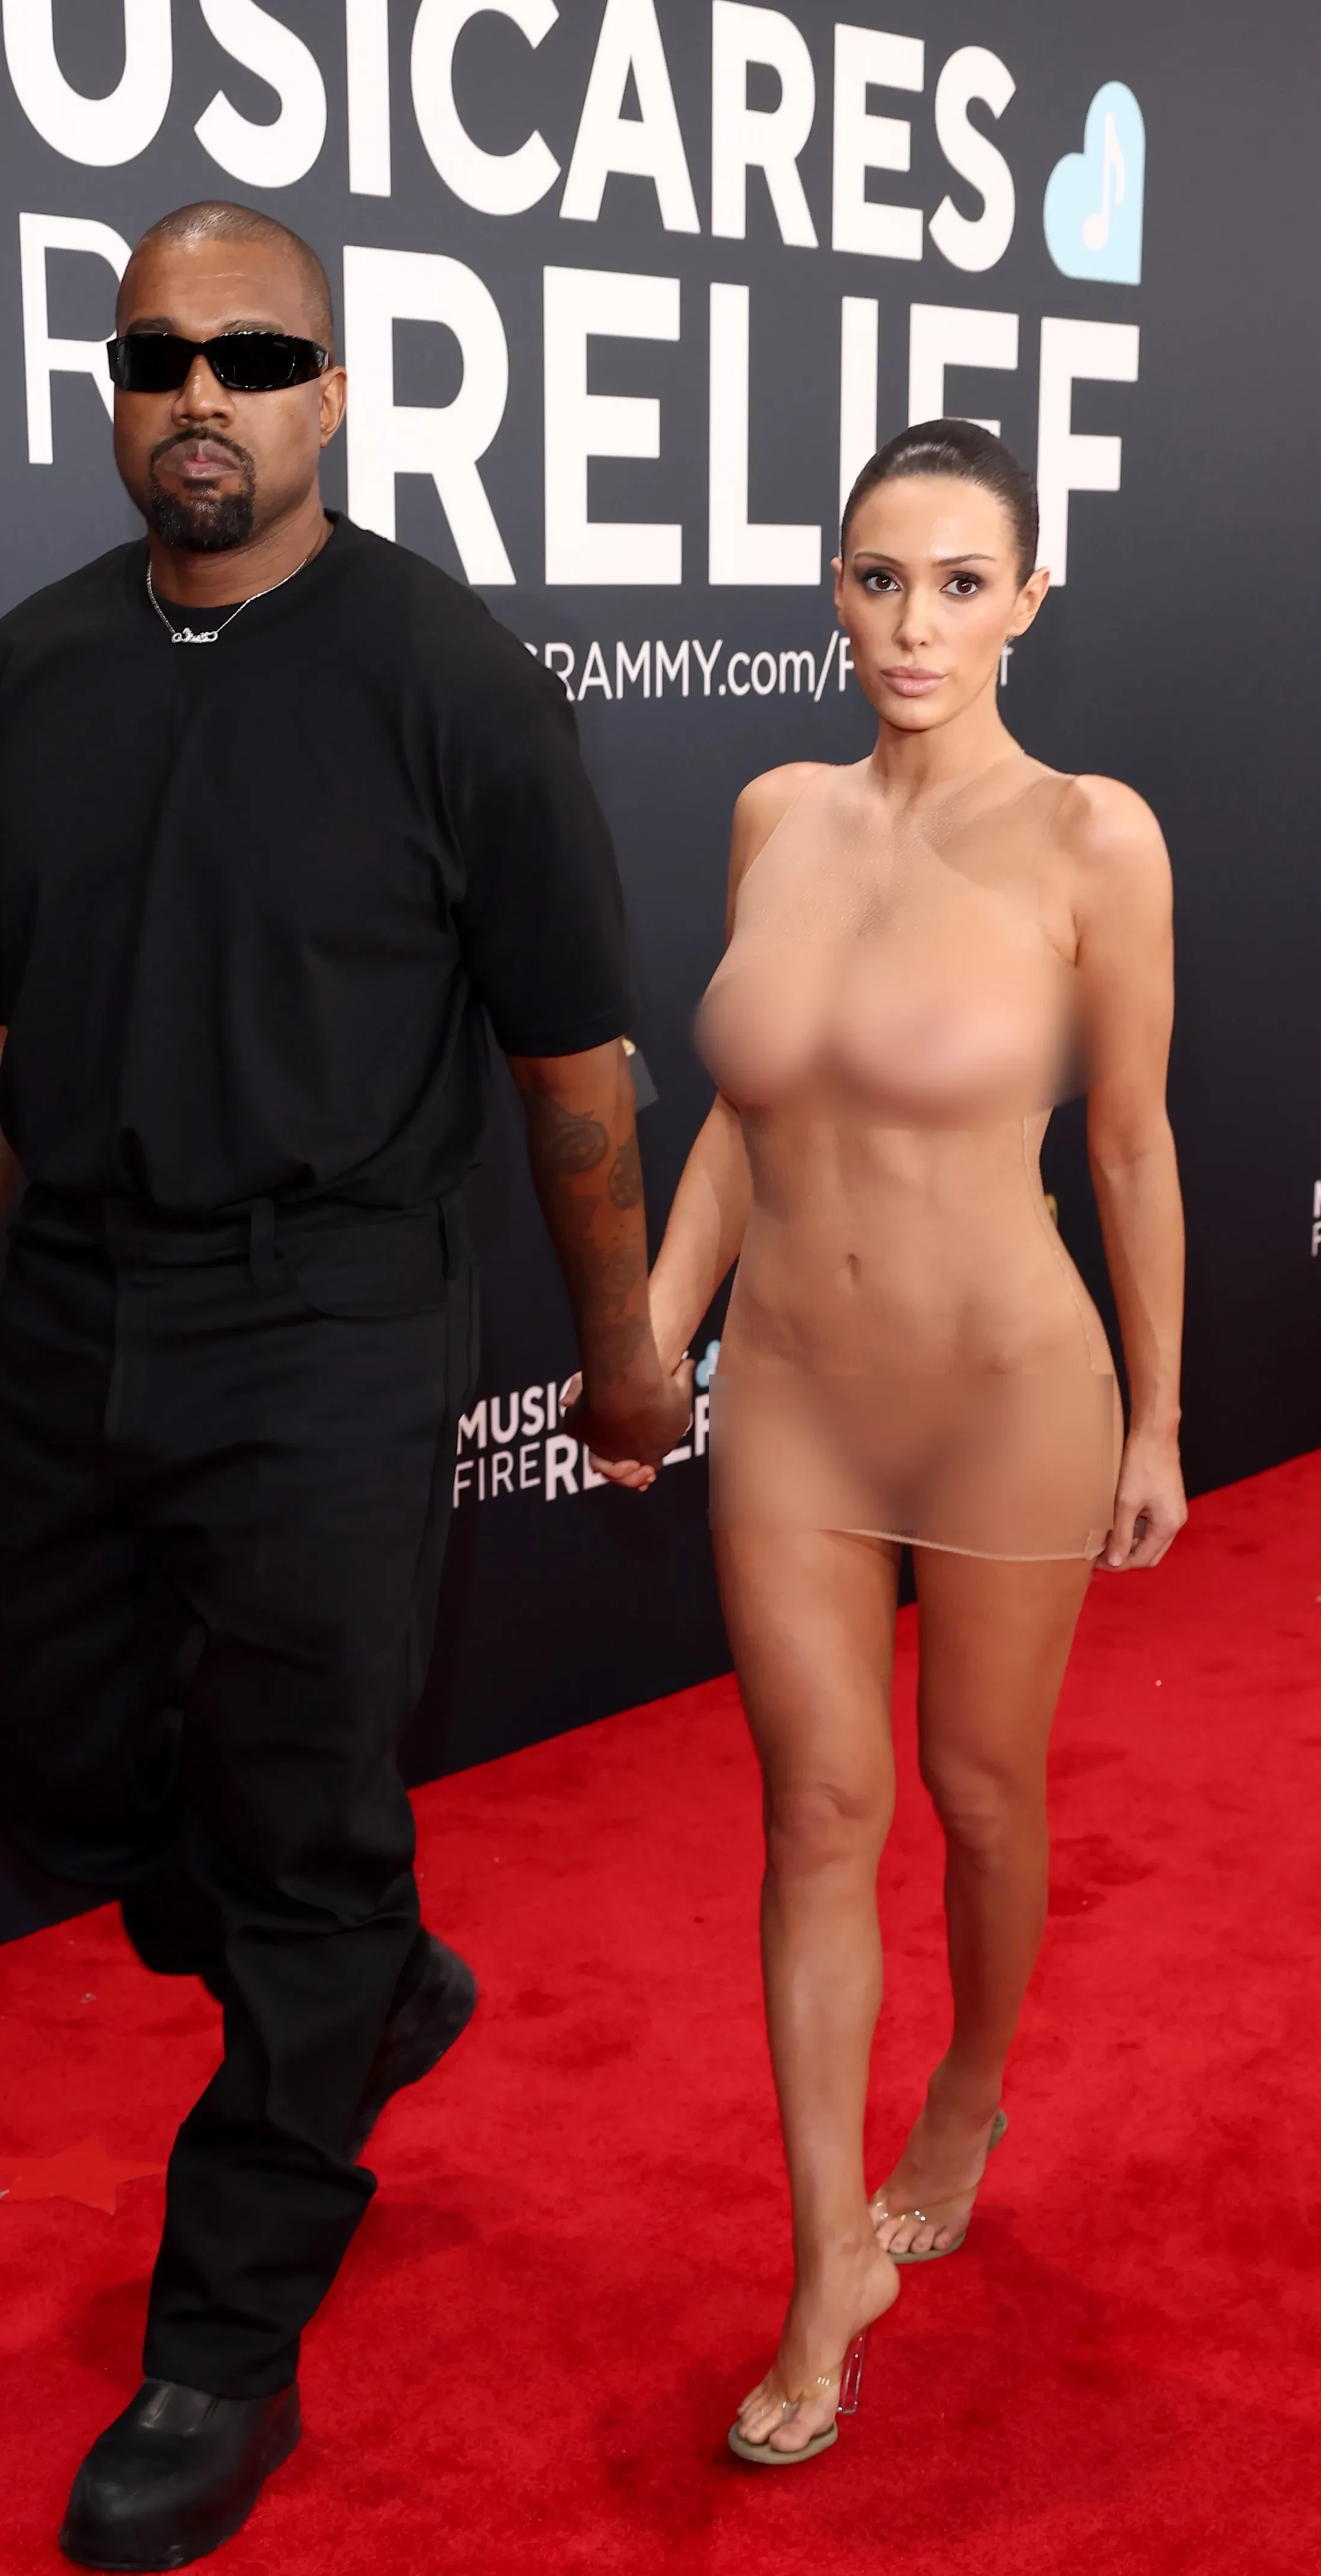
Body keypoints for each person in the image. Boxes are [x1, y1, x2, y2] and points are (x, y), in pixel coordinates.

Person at [0, 200, 687, 2569]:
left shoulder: (452, 678)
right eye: (159, 357)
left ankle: (225, 2345)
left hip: (333, 1313)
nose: (202, 398)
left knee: (310, 1813)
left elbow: (573, 1071)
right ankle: (350, 1974)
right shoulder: (32, 666)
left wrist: (623, 1350)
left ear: (333, 391)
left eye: (252, 356)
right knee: (44, 1764)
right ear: (115, 395)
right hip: (75, 1300)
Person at [597, 421, 1185, 2463]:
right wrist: (650, 1337)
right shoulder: (776, 813)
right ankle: (825, 2260)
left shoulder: (1097, 838)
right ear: (834, 591)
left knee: (980, 1791)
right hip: (791, 1391)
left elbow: (1132, 1146)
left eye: (957, 582)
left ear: (1028, 598)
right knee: (819, 1812)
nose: (913, 623)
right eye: (877, 578)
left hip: (1010, 1389)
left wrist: (1162, 1415)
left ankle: (969, 2091)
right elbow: (736, 1129)